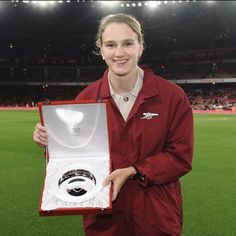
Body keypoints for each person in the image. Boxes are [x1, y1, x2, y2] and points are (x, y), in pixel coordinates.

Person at [33, 13, 194, 236]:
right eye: (110, 45)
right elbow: (75, 160)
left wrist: (134, 171)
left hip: (157, 217)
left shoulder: (172, 96)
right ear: (101, 50)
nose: (119, 53)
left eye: (128, 43)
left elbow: (180, 158)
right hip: (104, 220)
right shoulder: (85, 99)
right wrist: (53, 143)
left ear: (140, 46)